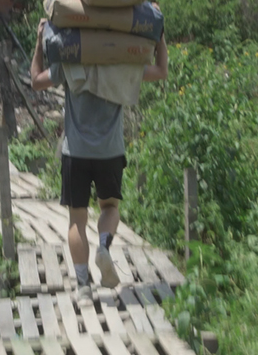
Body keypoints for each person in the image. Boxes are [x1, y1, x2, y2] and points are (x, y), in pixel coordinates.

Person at [29, 16, 169, 292]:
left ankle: (82, 284)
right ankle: (104, 245)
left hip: (75, 152)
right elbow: (162, 70)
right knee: (109, 207)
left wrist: (39, 42)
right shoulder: (124, 62)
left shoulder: (69, 60)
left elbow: (35, 80)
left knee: (77, 218)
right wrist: (159, 33)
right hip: (110, 151)